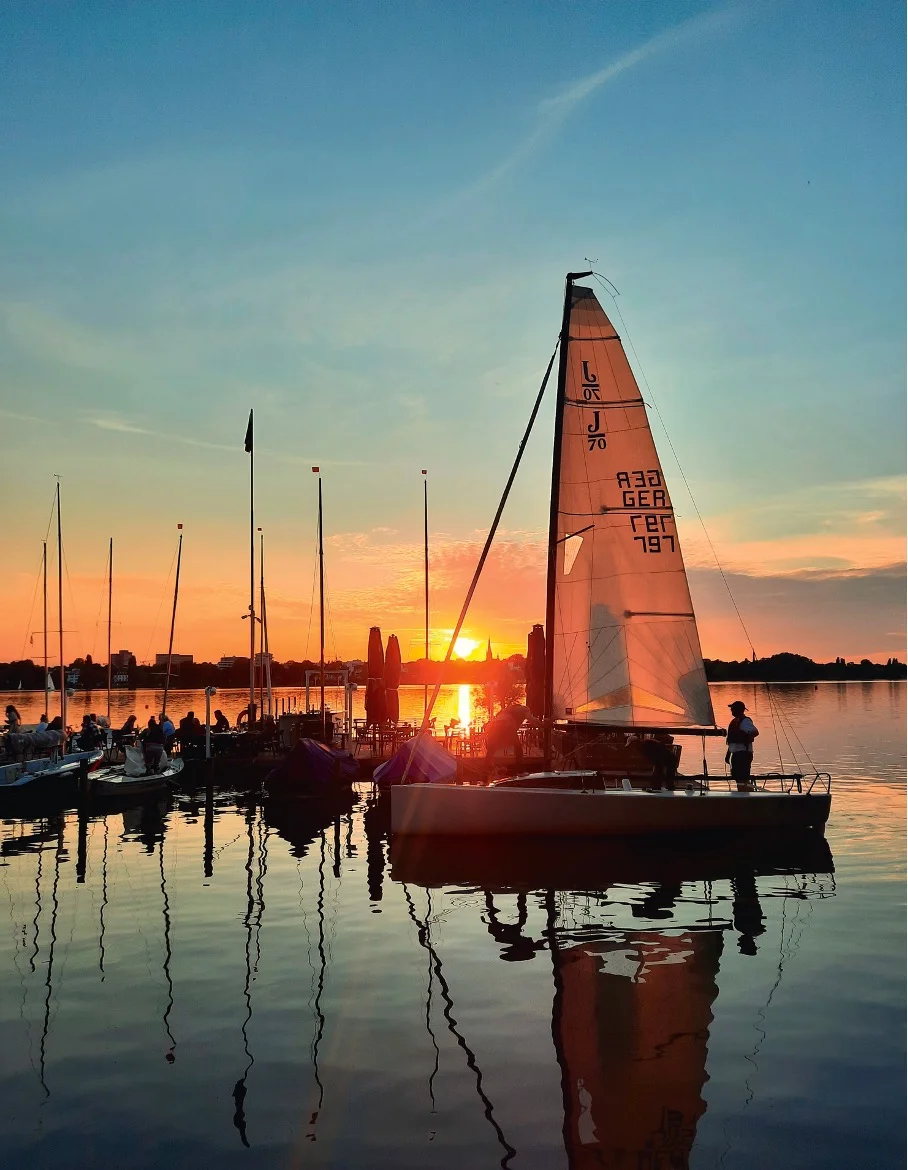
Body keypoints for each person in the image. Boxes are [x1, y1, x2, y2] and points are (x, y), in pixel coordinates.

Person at [484, 703, 531, 768]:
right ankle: (520, 770)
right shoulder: (523, 709)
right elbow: (531, 719)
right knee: (518, 747)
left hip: (493, 725)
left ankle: (487, 767)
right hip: (507, 724)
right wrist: (543, 725)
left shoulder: (504, 711)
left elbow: (497, 719)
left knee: (492, 748)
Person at [726, 700, 759, 790]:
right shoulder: (735, 722)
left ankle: (747, 795)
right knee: (737, 777)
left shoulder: (745, 721)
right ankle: (742, 793)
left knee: (743, 778)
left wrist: (746, 738)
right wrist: (728, 755)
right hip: (736, 754)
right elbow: (732, 741)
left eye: (733, 709)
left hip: (743, 754)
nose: (731, 710)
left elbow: (755, 732)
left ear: (738, 710)